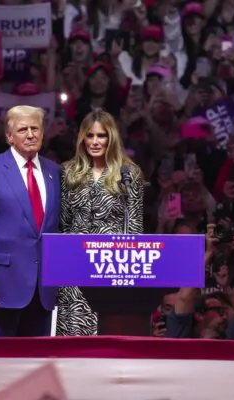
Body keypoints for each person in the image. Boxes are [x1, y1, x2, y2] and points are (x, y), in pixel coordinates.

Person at [0, 105, 61, 337]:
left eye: (35, 128)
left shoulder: (55, 172)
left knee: (36, 367)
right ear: (9, 136)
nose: (30, 135)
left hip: (42, 290)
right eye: (23, 129)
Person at [56, 110, 144, 336]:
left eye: (101, 135)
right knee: (74, 340)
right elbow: (64, 224)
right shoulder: (68, 172)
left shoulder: (129, 173)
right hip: (75, 268)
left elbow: (134, 228)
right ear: (82, 138)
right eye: (90, 135)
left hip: (110, 267)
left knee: (108, 334)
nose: (95, 142)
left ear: (111, 137)